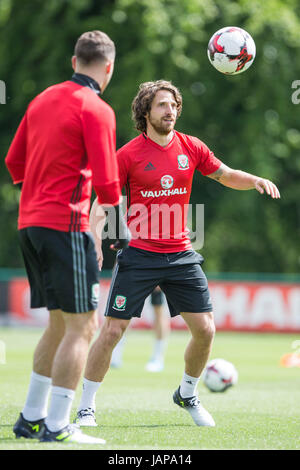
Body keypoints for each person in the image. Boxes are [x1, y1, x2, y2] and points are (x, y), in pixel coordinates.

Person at [75, 80, 280, 428]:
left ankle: (187, 393)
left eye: (173, 105)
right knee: (111, 332)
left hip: (182, 255)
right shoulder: (127, 154)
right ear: (145, 112)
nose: (170, 111)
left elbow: (226, 175)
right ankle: (86, 407)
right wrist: (95, 240)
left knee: (206, 330)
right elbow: (103, 201)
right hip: (139, 255)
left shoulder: (191, 146)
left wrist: (255, 179)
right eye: (161, 105)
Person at [5, 30, 128, 444]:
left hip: (30, 225)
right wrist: (117, 221)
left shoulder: (41, 100)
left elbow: (13, 161)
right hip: (65, 224)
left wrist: (40, 192)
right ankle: (57, 424)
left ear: (74, 61)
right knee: (84, 326)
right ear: (108, 67)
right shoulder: (96, 108)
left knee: (59, 325)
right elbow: (110, 184)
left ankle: (31, 418)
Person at [110, 287, 170, 371]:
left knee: (158, 311)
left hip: (156, 275)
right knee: (125, 312)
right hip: (134, 275)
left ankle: (158, 357)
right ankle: (116, 355)